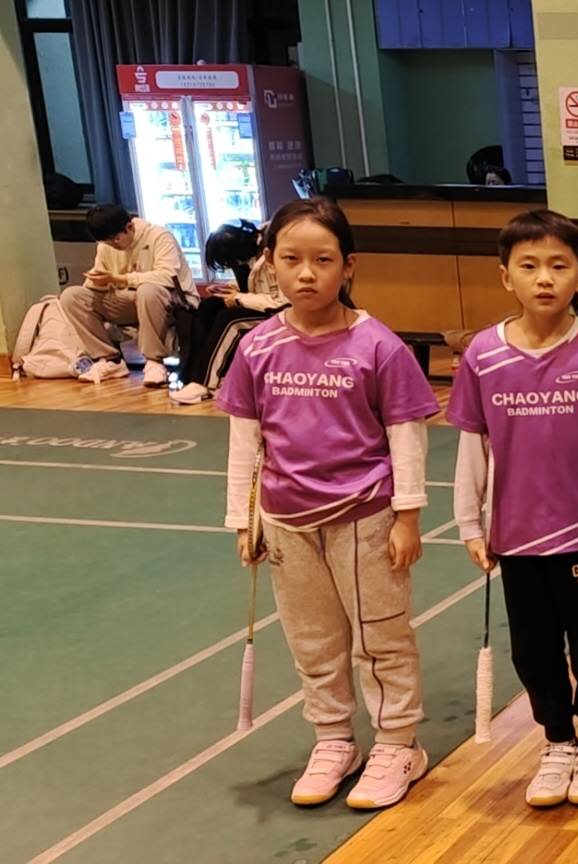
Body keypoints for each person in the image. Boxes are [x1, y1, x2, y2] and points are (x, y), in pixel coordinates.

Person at [218, 198, 441, 809]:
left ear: (349, 266)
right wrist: (243, 518)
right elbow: (245, 439)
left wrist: (408, 515)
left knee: (381, 637)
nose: (306, 274)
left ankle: (398, 743)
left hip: (365, 516)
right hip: (286, 522)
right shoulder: (257, 347)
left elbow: (406, 436)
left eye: (323, 260)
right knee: (312, 639)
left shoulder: (379, 346)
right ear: (270, 264)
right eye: (291, 259)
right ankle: (334, 738)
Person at [449, 209, 578, 808]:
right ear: (505, 275)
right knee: (533, 651)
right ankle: (557, 740)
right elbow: (473, 444)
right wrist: (470, 523)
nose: (544, 278)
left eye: (559, 266)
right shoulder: (483, 355)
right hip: (518, 538)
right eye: (529, 266)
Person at [60, 203, 194, 385]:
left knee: (148, 290)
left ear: (129, 227)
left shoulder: (159, 236)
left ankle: (154, 361)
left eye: (115, 239)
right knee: (72, 296)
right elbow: (101, 280)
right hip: (127, 299)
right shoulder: (105, 246)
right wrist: (97, 281)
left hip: (170, 300)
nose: (112, 245)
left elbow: (167, 277)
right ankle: (109, 359)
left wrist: (119, 279)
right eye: (106, 242)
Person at [171, 221, 287, 405]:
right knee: (209, 306)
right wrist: (229, 289)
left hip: (284, 313)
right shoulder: (250, 255)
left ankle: (205, 383)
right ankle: (192, 375)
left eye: (229, 262)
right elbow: (256, 284)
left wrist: (239, 298)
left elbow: (282, 302)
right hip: (262, 304)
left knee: (231, 321)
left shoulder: (276, 254)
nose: (232, 265)